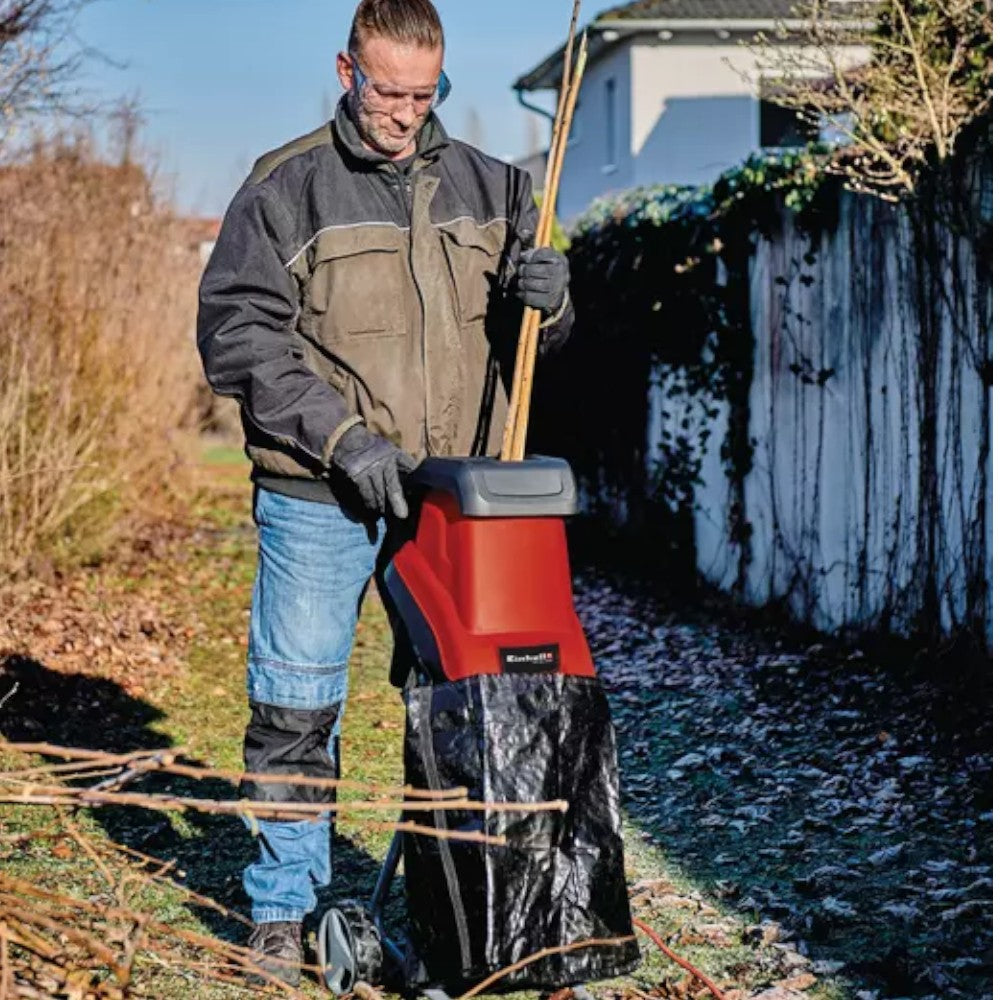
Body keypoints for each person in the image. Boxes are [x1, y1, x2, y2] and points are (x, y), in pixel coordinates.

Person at [196, 0, 573, 986]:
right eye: (386, 91)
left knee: (457, 707)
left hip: (454, 502)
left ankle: (454, 906)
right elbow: (237, 337)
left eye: (424, 93)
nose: (405, 113)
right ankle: (283, 911)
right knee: (295, 705)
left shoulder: (500, 187)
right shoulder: (283, 188)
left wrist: (555, 301)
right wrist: (343, 440)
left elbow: (536, 345)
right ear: (345, 71)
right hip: (319, 493)